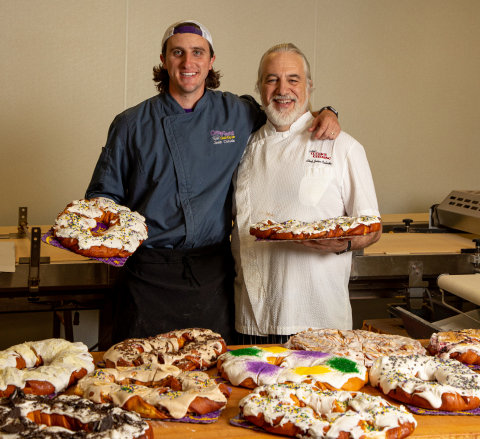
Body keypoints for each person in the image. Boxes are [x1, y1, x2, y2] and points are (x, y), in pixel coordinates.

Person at [85, 21, 340, 345]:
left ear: (211, 60)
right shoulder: (130, 124)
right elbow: (102, 196)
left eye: (197, 53)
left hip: (212, 275)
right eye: (177, 52)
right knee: (138, 380)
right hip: (148, 274)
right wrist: (98, 237)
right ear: (164, 60)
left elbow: (286, 109)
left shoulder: (237, 112)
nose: (188, 62)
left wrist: (327, 112)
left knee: (212, 381)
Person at [232, 43, 382, 344]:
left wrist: (343, 244)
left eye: (293, 79)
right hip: (252, 322)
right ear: (260, 87)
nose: (282, 89)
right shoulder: (242, 148)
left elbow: (373, 227)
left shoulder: (342, 146)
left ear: (310, 86)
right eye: (272, 79)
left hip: (321, 321)